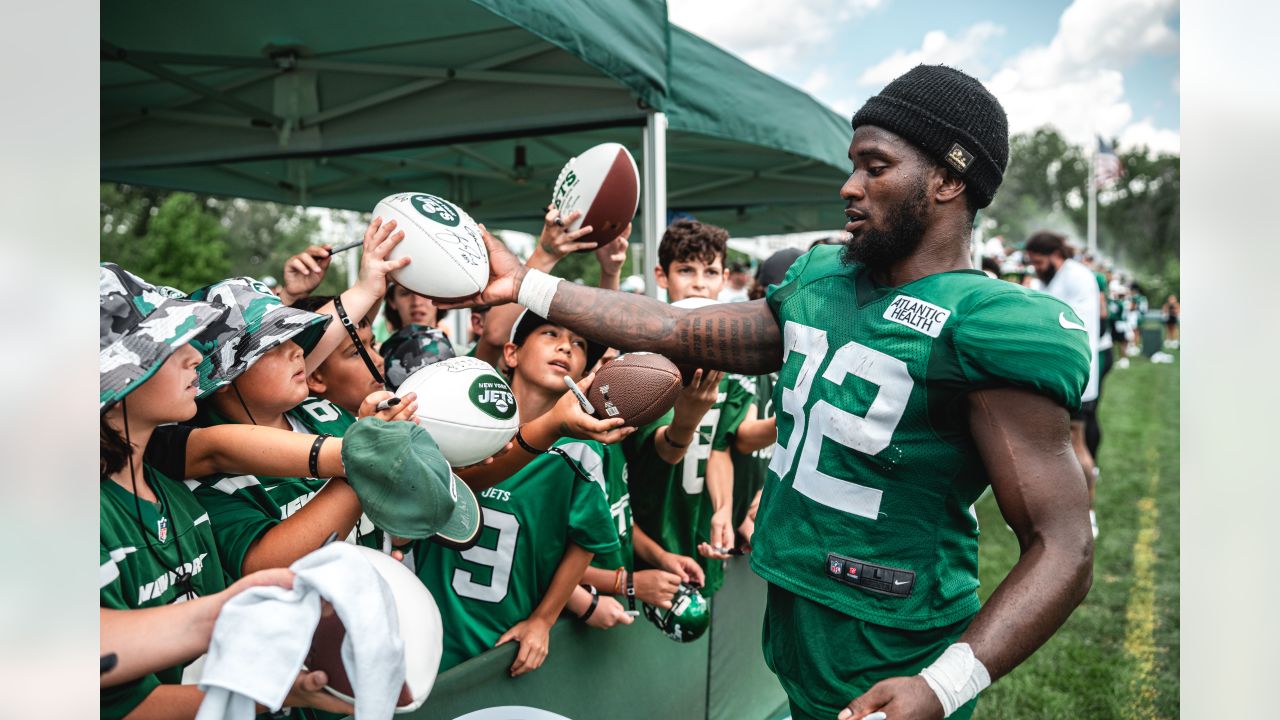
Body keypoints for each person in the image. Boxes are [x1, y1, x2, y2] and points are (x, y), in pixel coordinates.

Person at [441, 64, 1094, 720]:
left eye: (876, 166)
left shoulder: (987, 323)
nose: (849, 186)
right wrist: (529, 285)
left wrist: (942, 686)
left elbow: (1063, 543)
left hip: (894, 646)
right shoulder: (823, 282)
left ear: (949, 179)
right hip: (797, 630)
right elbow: (673, 325)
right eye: (853, 165)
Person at [99, 264, 353, 719]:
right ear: (113, 384)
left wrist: (277, 686)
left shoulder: (172, 495)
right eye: (164, 345)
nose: (195, 356)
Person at [396, 310, 623, 676]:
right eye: (550, 334)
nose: (565, 345)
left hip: (505, 630)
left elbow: (587, 538)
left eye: (579, 344)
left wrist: (543, 620)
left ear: (582, 376)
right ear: (512, 354)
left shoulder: (583, 450)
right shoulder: (462, 419)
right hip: (429, 619)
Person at [629, 219, 754, 596]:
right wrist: (687, 419)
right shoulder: (641, 355)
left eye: (710, 271)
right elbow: (662, 451)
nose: (699, 283)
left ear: (724, 278)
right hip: (648, 535)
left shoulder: (730, 360)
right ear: (661, 276)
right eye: (686, 270)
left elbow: (718, 446)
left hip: (696, 525)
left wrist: (722, 508)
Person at [1023, 231, 1102, 539]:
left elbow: (1068, 324)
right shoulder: (1051, 278)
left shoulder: (1077, 276)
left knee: (1076, 442)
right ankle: (1052, 510)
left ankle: (1088, 512)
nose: (1035, 267)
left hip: (1076, 374)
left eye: (1038, 261)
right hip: (1053, 371)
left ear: (1055, 254)